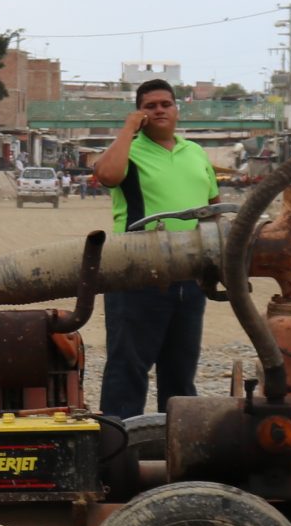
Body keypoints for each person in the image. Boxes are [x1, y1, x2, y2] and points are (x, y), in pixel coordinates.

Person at [90, 78, 220, 417]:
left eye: (166, 104)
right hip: (137, 274)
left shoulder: (195, 153)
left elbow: (214, 207)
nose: (160, 110)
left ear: (177, 109)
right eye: (150, 106)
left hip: (190, 277)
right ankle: (119, 444)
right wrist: (128, 129)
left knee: (181, 372)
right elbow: (107, 175)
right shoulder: (129, 151)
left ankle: (177, 441)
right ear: (140, 113)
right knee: (128, 369)